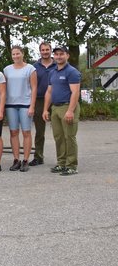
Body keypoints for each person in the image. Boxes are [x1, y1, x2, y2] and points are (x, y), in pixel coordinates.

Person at [42, 45, 81, 176]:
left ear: (67, 55)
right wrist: (45, 109)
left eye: (61, 54)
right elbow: (49, 92)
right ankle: (61, 163)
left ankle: (71, 165)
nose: (58, 56)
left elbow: (75, 92)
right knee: (58, 137)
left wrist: (70, 111)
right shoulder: (52, 72)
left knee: (69, 137)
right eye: (56, 54)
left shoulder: (72, 72)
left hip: (67, 107)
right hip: (55, 108)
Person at [4, 46, 37, 172]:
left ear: (22, 54)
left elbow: (34, 88)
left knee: (26, 132)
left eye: (18, 53)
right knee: (13, 132)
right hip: (11, 105)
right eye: (14, 54)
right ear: (11, 56)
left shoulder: (30, 69)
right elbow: (3, 88)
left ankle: (25, 160)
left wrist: (32, 105)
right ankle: (16, 159)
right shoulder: (7, 70)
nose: (16, 56)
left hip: (25, 104)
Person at [31, 42, 56, 166]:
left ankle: (62, 158)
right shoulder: (34, 67)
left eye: (47, 49)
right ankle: (38, 156)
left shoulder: (58, 64)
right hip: (39, 100)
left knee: (59, 131)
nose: (45, 52)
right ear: (40, 51)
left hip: (56, 99)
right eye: (43, 50)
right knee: (39, 131)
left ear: (51, 50)